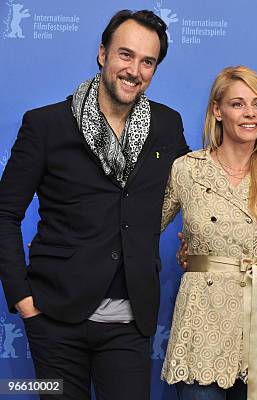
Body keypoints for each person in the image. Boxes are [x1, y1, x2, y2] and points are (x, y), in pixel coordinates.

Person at [0, 9, 189, 399]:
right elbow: (4, 215)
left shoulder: (167, 126)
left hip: (129, 322)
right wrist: (23, 300)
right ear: (103, 54)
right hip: (53, 320)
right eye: (125, 54)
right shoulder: (46, 125)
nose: (134, 69)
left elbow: (203, 181)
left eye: (147, 61)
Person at [160, 66, 257, 400]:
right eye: (238, 104)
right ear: (217, 111)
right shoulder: (187, 169)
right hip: (201, 317)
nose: (250, 113)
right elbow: (136, 228)